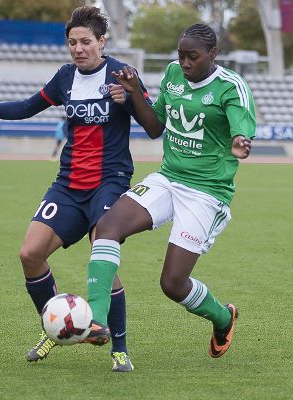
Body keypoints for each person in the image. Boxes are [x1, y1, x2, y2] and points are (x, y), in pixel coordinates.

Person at [0, 6, 151, 372]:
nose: (78, 48)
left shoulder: (123, 74)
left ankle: (118, 347)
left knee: (101, 257)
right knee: (29, 253)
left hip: (109, 184)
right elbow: (27, 107)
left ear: (102, 41)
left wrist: (132, 99)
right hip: (68, 185)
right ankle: (56, 326)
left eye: (86, 41)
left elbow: (151, 118)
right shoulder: (64, 77)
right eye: (72, 42)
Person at [83, 23, 255, 359]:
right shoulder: (174, 74)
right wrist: (134, 92)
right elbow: (154, 127)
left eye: (193, 56)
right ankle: (96, 321)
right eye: (181, 55)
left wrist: (240, 141)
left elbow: (242, 130)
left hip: (206, 192)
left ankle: (223, 317)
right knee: (106, 228)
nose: (186, 63)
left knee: (173, 284)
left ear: (212, 54)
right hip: (168, 178)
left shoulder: (230, 86)